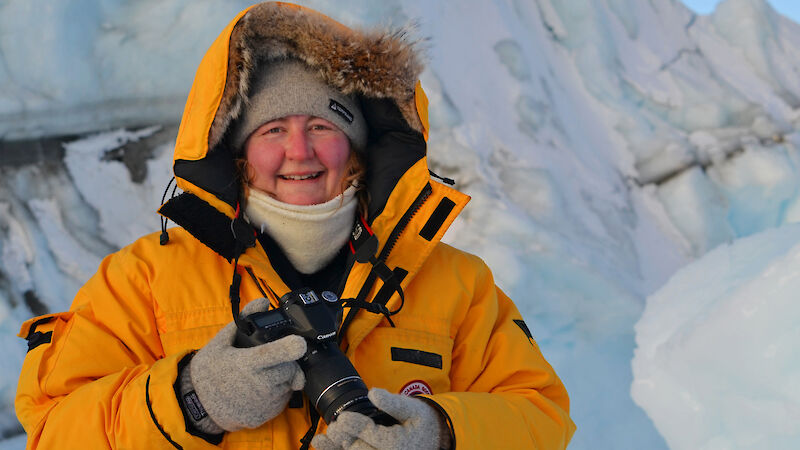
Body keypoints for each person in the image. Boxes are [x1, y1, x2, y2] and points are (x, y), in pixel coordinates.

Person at [15, 2, 575, 449]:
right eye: (271, 130)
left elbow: (541, 416)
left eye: (322, 126)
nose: (299, 151)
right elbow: (51, 431)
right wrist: (191, 399)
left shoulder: (457, 285)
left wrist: (440, 432)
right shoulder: (142, 281)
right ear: (236, 153)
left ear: (356, 147)